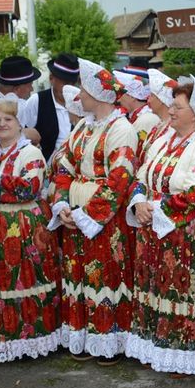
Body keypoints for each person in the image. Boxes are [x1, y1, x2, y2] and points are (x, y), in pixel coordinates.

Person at [126, 76, 195, 376]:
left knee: (184, 295)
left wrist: (154, 207)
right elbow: (141, 177)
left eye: (178, 107)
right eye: (171, 106)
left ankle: (186, 355)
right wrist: (139, 202)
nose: (171, 111)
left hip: (191, 235)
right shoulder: (164, 141)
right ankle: (158, 348)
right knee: (158, 292)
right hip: (158, 230)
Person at [49, 60, 138, 364]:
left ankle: (109, 339)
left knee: (104, 275)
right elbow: (64, 168)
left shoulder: (121, 129)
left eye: (84, 91)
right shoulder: (83, 127)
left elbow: (120, 179)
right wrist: (62, 204)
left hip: (104, 219)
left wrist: (87, 214)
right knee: (78, 275)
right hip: (75, 213)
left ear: (99, 95)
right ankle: (84, 336)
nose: (80, 96)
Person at [0, 97, 61, 362]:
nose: (2, 124)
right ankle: (2, 340)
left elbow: (29, 189)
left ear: (20, 123)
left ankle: (30, 340)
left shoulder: (30, 153)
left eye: (7, 119)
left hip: (22, 227)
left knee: (24, 279)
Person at [18, 52, 79, 162]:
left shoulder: (81, 103)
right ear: (51, 79)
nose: (69, 88)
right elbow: (22, 132)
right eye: (64, 83)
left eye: (72, 83)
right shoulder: (37, 101)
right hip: (45, 167)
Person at [114, 70, 161, 163]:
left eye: (121, 94)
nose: (118, 99)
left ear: (132, 97)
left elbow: (136, 154)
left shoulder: (146, 119)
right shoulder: (140, 116)